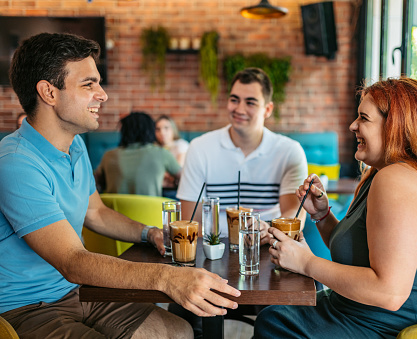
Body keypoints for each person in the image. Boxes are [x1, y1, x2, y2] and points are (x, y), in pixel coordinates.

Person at [0, 32, 240, 338]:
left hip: (78, 292)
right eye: (89, 84)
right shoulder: (16, 163)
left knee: (178, 332)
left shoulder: (74, 146)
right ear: (49, 92)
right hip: (26, 307)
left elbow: (96, 213)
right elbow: (73, 261)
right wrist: (166, 278)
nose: (103, 94)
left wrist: (147, 232)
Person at [254, 77, 417, 338]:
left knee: (274, 322)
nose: (352, 125)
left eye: (363, 118)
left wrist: (306, 262)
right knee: (274, 315)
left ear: (395, 126)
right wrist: (323, 215)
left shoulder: (397, 180)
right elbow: (357, 252)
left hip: (400, 327)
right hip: (370, 315)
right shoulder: (382, 174)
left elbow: (389, 293)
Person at [176, 67, 308, 243]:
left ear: (268, 109)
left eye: (250, 102)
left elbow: (294, 216)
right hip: (215, 248)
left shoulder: (289, 151)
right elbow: (191, 220)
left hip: (269, 246)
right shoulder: (200, 148)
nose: (239, 109)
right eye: (234, 100)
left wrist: (268, 230)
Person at [95, 111, 181, 196]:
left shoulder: (108, 155)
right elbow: (185, 179)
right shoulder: (162, 153)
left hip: (113, 208)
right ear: (150, 130)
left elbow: (94, 184)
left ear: (124, 131)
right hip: (151, 209)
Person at [155, 115, 189, 191]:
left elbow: (177, 171)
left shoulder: (181, 145)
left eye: (166, 128)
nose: (162, 132)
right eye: (158, 129)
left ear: (173, 129)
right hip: (158, 190)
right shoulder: (154, 148)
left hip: (175, 190)